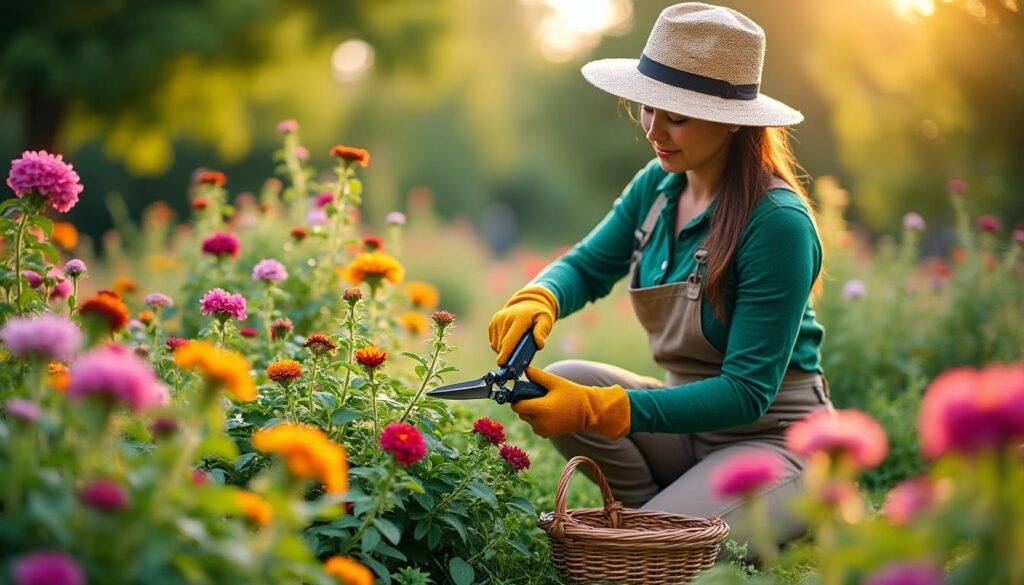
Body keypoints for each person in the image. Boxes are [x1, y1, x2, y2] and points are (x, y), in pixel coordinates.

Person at [487, 2, 833, 550]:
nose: (653, 129)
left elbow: (746, 393)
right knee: (572, 370)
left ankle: (727, 520)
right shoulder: (659, 184)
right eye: (647, 107)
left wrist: (600, 409)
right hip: (683, 429)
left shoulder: (778, 224)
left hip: (773, 443)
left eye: (676, 116)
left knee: (641, 548)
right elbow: (587, 265)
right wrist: (541, 296)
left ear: (732, 120)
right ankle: (668, 516)